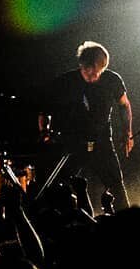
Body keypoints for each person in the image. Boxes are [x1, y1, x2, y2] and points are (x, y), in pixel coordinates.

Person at [39, 40, 132, 209]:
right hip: (72, 142)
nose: (94, 76)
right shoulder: (65, 82)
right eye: (90, 72)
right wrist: (45, 132)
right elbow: (45, 109)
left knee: (116, 184)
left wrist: (127, 133)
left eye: (98, 72)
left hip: (102, 141)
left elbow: (124, 105)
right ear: (82, 64)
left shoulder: (112, 80)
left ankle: (127, 222)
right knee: (60, 185)